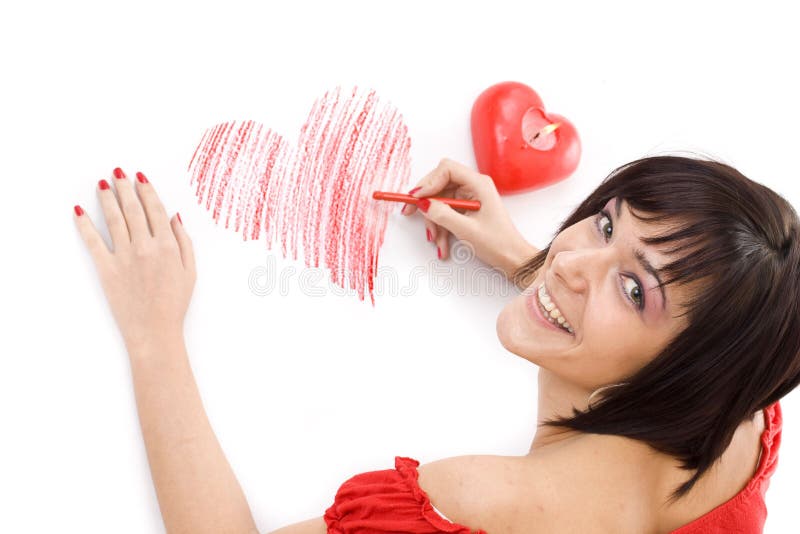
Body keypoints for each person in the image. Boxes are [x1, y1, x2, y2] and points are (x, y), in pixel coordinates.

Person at [73, 156, 796, 533]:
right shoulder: (744, 410)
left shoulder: (481, 499)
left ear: (694, 372)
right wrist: (524, 261)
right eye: (606, 225)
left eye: (634, 290)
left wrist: (153, 332)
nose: (570, 259)